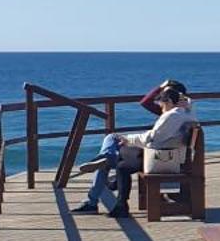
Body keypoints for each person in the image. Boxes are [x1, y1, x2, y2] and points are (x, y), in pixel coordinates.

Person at [76, 80, 195, 215]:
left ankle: (95, 196)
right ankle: (108, 161)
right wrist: (166, 89)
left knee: (112, 143)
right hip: (161, 152)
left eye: (163, 96)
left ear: (170, 99)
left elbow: (153, 138)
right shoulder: (186, 111)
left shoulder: (172, 115)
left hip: (157, 156)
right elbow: (147, 104)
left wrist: (129, 140)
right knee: (112, 144)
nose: (159, 100)